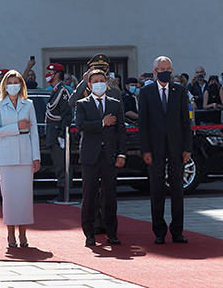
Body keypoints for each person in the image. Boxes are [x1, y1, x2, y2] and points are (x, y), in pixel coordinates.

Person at [138, 56, 192, 244]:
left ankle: (177, 231)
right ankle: (159, 231)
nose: (165, 72)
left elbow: (186, 122)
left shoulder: (180, 91)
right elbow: (142, 123)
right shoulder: (146, 92)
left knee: (177, 189)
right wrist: (144, 149)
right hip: (154, 148)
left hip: (176, 148)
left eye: (168, 69)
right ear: (154, 71)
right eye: (161, 69)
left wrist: (188, 148)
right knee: (157, 189)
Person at [75, 69, 126, 247]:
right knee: (89, 195)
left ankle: (111, 231)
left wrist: (121, 153)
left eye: (101, 80)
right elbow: (80, 125)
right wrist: (102, 123)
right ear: (89, 85)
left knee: (110, 194)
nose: (98, 83)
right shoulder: (82, 104)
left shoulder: (114, 103)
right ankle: (89, 233)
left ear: (106, 83)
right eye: (95, 81)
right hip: (90, 155)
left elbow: (121, 129)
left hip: (109, 156)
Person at [0, 70, 40, 248]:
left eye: (16, 82)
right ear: (5, 85)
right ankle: (10, 233)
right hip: (6, 155)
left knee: (25, 196)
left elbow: (34, 132)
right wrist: (16, 127)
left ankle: (23, 233)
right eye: (10, 82)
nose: (13, 85)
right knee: (9, 196)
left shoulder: (28, 104)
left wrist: (36, 157)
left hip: (25, 153)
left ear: (21, 85)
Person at [44, 63, 72, 203]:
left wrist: (62, 134)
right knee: (57, 164)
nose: (48, 75)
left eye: (51, 73)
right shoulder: (55, 91)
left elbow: (67, 116)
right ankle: (61, 192)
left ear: (58, 75)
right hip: (52, 133)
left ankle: (64, 192)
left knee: (62, 165)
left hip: (57, 133)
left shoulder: (63, 91)